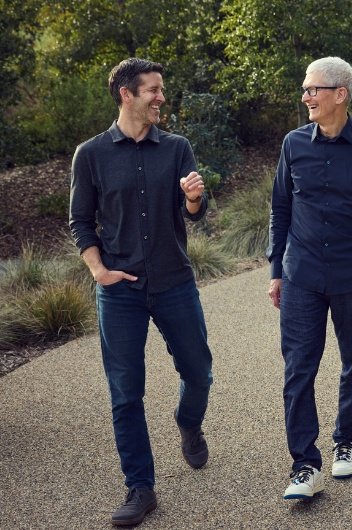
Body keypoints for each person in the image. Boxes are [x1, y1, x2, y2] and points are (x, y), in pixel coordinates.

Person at [69, 57, 214, 526]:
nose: (161, 98)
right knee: (125, 394)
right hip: (120, 291)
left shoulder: (177, 148)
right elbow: (80, 222)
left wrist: (193, 197)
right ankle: (141, 487)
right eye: (153, 90)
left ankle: (188, 423)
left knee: (199, 372)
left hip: (174, 282)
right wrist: (98, 270)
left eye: (161, 89)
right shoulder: (90, 154)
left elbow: (194, 212)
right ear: (126, 94)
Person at [267, 56, 352, 500]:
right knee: (298, 370)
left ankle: (346, 442)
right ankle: (304, 466)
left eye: (313, 90)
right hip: (301, 274)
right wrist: (275, 272)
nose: (306, 97)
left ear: (339, 94)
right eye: (305, 90)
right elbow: (280, 210)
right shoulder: (293, 144)